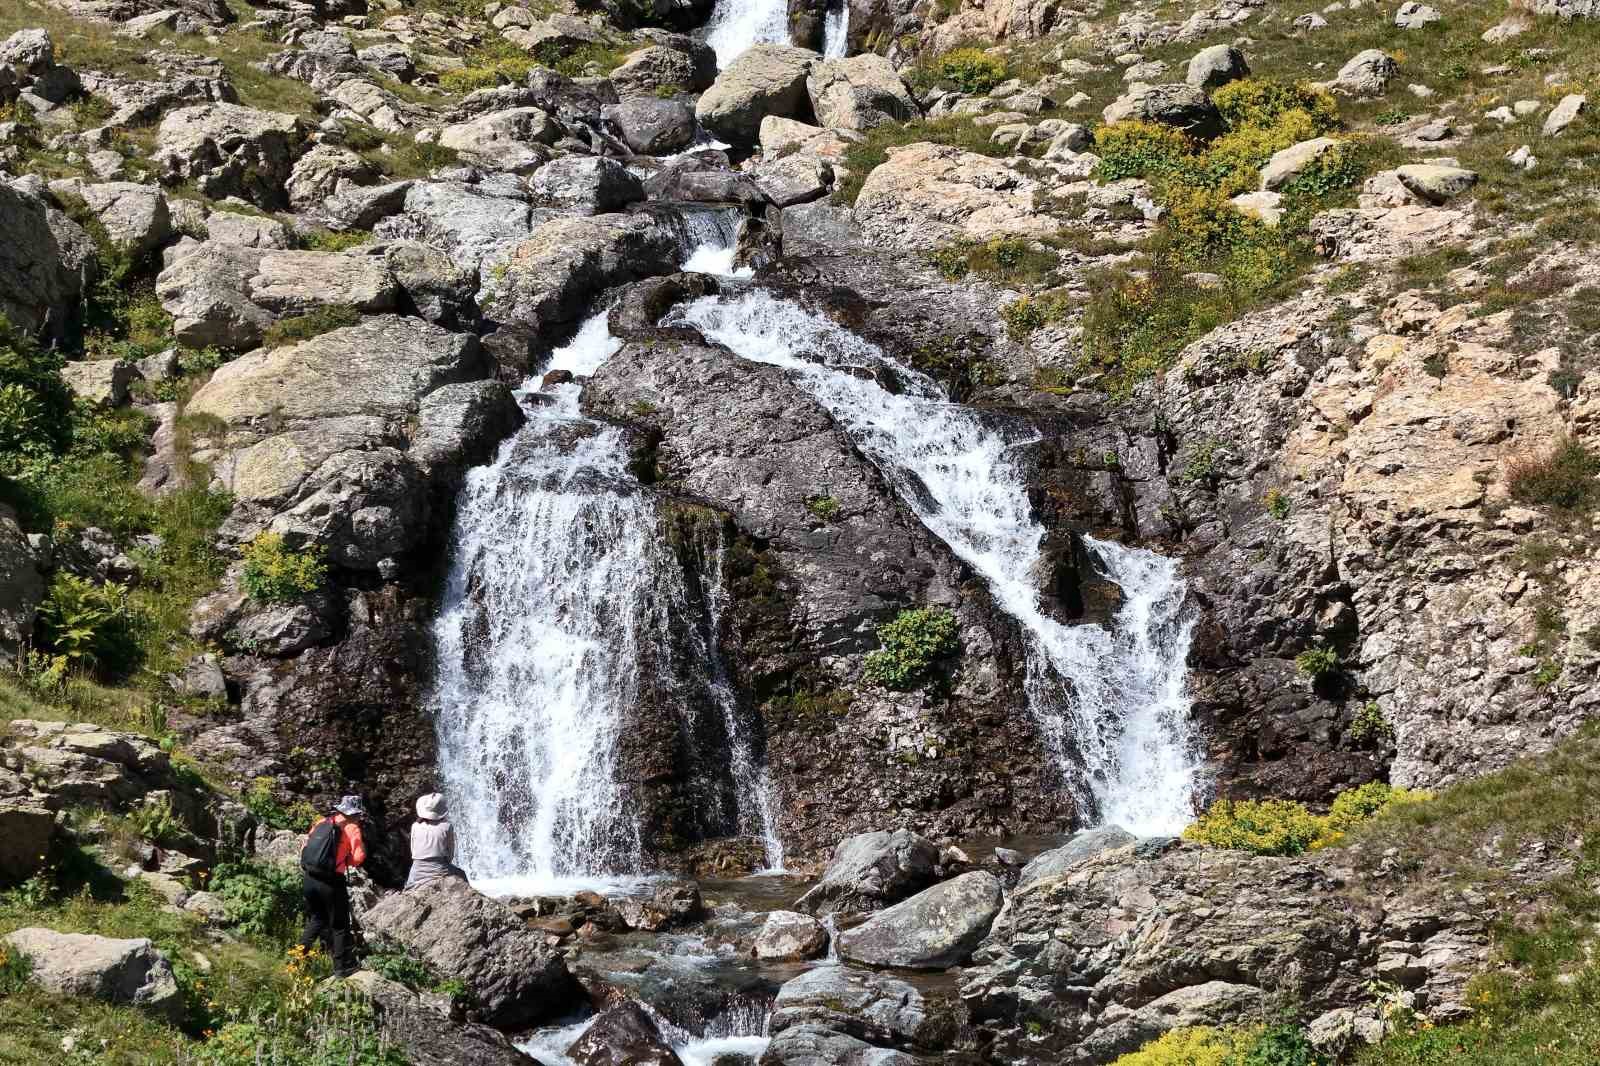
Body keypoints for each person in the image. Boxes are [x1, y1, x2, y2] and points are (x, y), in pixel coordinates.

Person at [299, 795, 367, 977]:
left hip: (309, 878)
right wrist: (346, 860)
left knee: (317, 919)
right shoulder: (352, 828)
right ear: (354, 813)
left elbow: (306, 845)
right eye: (359, 814)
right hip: (331, 882)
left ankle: (297, 960)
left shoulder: (322, 822)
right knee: (340, 924)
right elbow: (358, 858)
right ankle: (342, 968)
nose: (359, 818)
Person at [406, 792, 465, 889]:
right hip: (439, 868)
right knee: (462, 876)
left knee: (408, 889)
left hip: (417, 870)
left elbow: (413, 851)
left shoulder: (415, 826)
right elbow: (450, 855)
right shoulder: (447, 826)